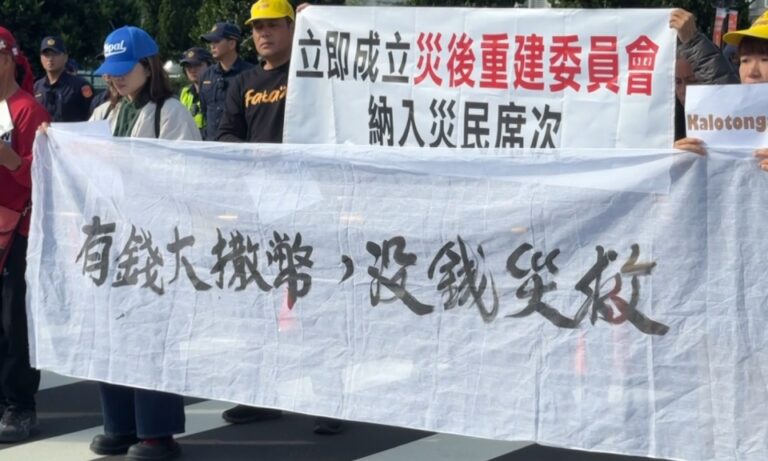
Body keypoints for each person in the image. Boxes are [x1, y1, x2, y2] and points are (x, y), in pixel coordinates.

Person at [216, 0, 343, 435]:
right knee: (257, 305)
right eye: (257, 28)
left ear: (292, 27)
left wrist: (322, 23)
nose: (263, 34)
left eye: (273, 25)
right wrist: (249, 152)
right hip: (260, 210)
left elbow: (347, 74)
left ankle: (329, 400)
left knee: (313, 304)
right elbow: (225, 134)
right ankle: (261, 395)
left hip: (311, 210)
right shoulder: (244, 82)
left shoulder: (313, 74)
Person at [86, 25, 200, 461]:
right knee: (110, 332)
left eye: (123, 68)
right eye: (111, 69)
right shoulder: (103, 112)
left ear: (148, 66)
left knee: (152, 335)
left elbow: (185, 174)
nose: (115, 77)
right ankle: (119, 424)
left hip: (153, 241)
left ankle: (157, 431)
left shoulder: (169, 112)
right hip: (108, 239)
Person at [0, 26, 50, 443]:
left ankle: (20, 405)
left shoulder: (28, 109)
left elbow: (43, 177)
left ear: (8, 60)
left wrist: (11, 158)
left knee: (15, 320)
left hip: (19, 229)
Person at [669, 8, 738, 154]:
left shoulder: (734, 119)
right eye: (677, 82)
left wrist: (693, 42)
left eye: (693, 80)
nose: (684, 90)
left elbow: (723, 96)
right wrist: (670, 155)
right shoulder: (665, 124)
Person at [198, 22, 253, 140]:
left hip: (238, 145)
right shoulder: (206, 76)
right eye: (210, 42)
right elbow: (205, 110)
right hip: (211, 145)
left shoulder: (251, 74)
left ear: (232, 44)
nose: (212, 46)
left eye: (216, 41)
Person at [33, 35, 93, 122]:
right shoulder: (37, 87)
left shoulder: (79, 86)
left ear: (65, 57)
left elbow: (92, 116)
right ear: (41, 58)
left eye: (55, 54)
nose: (50, 59)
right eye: (46, 54)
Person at [179, 47, 213, 135]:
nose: (192, 70)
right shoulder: (185, 92)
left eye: (197, 65)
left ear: (209, 66)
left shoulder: (217, 90)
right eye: (188, 66)